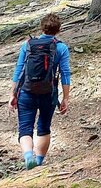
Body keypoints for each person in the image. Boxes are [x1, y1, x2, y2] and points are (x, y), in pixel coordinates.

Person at [9, 13, 71, 170]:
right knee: (44, 127)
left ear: (41, 27)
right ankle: (38, 162)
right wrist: (65, 98)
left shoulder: (28, 45)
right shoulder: (61, 48)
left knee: (25, 128)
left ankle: (28, 156)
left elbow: (19, 70)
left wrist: (13, 94)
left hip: (26, 92)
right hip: (48, 94)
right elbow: (65, 74)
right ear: (58, 30)